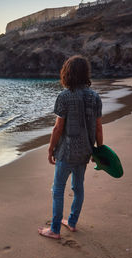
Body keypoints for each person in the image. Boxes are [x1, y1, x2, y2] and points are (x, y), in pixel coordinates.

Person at [38, 55, 103, 239]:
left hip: (66, 152)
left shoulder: (64, 96)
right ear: (85, 74)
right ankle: (72, 222)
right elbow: (98, 127)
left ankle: (55, 229)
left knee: (58, 189)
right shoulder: (95, 97)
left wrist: (51, 149)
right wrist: (99, 150)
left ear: (67, 73)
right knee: (78, 187)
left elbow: (58, 128)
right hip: (85, 151)